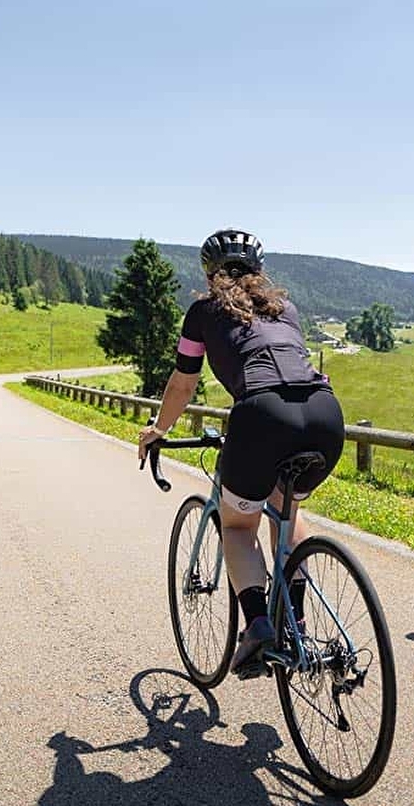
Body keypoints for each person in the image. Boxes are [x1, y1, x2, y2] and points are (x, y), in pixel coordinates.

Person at [138, 229, 344, 675]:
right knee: (287, 513)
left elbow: (183, 383)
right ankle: (298, 622)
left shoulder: (201, 312)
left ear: (210, 273)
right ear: (258, 273)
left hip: (261, 415)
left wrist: (160, 428)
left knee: (237, 526)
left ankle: (257, 626)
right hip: (325, 415)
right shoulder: (284, 308)